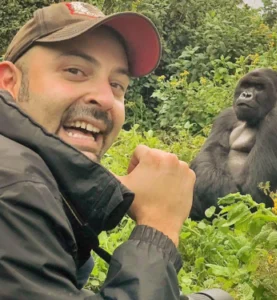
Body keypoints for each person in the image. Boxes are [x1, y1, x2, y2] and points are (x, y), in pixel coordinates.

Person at [0, 2, 196, 299]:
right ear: (9, 83)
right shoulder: (13, 188)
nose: (106, 99)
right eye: (75, 70)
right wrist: (158, 226)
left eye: (117, 84)